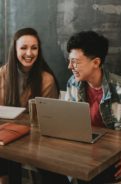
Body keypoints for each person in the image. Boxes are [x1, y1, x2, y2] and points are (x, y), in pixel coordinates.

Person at [40, 31, 121, 184]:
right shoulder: (73, 83)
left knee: (92, 176)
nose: (69, 66)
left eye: (75, 61)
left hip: (114, 159)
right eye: (70, 61)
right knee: (45, 166)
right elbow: (70, 124)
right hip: (84, 154)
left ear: (96, 63)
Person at [0, 27, 60, 184]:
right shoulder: (2, 74)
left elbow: (48, 121)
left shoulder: (47, 79)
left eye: (34, 48)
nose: (29, 53)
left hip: (36, 141)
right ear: (15, 50)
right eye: (23, 48)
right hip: (6, 136)